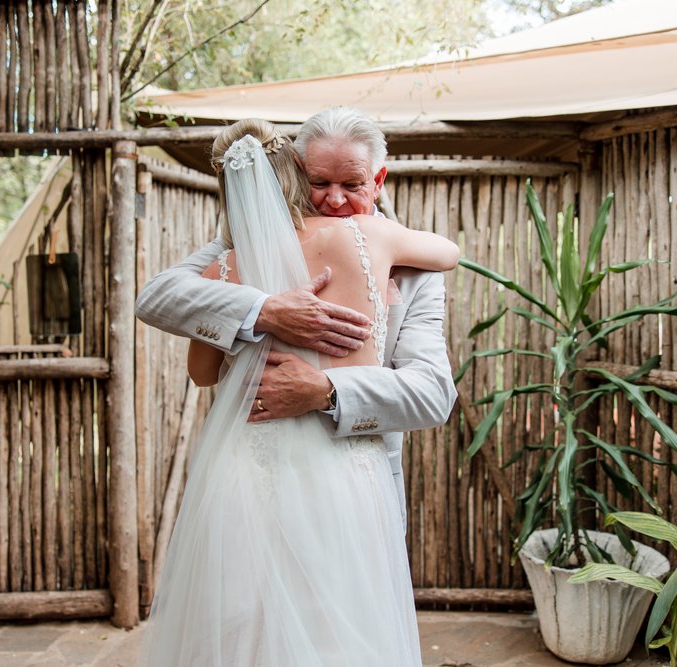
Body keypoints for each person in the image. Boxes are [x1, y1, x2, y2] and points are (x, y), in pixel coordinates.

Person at [138, 118, 458, 665]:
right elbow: (157, 297)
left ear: (377, 180)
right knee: (248, 628)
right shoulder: (242, 246)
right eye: (319, 182)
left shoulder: (413, 268)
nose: (334, 200)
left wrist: (325, 389)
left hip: (342, 477)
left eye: (351, 184)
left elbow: (432, 394)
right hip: (261, 483)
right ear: (291, 174)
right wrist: (263, 309)